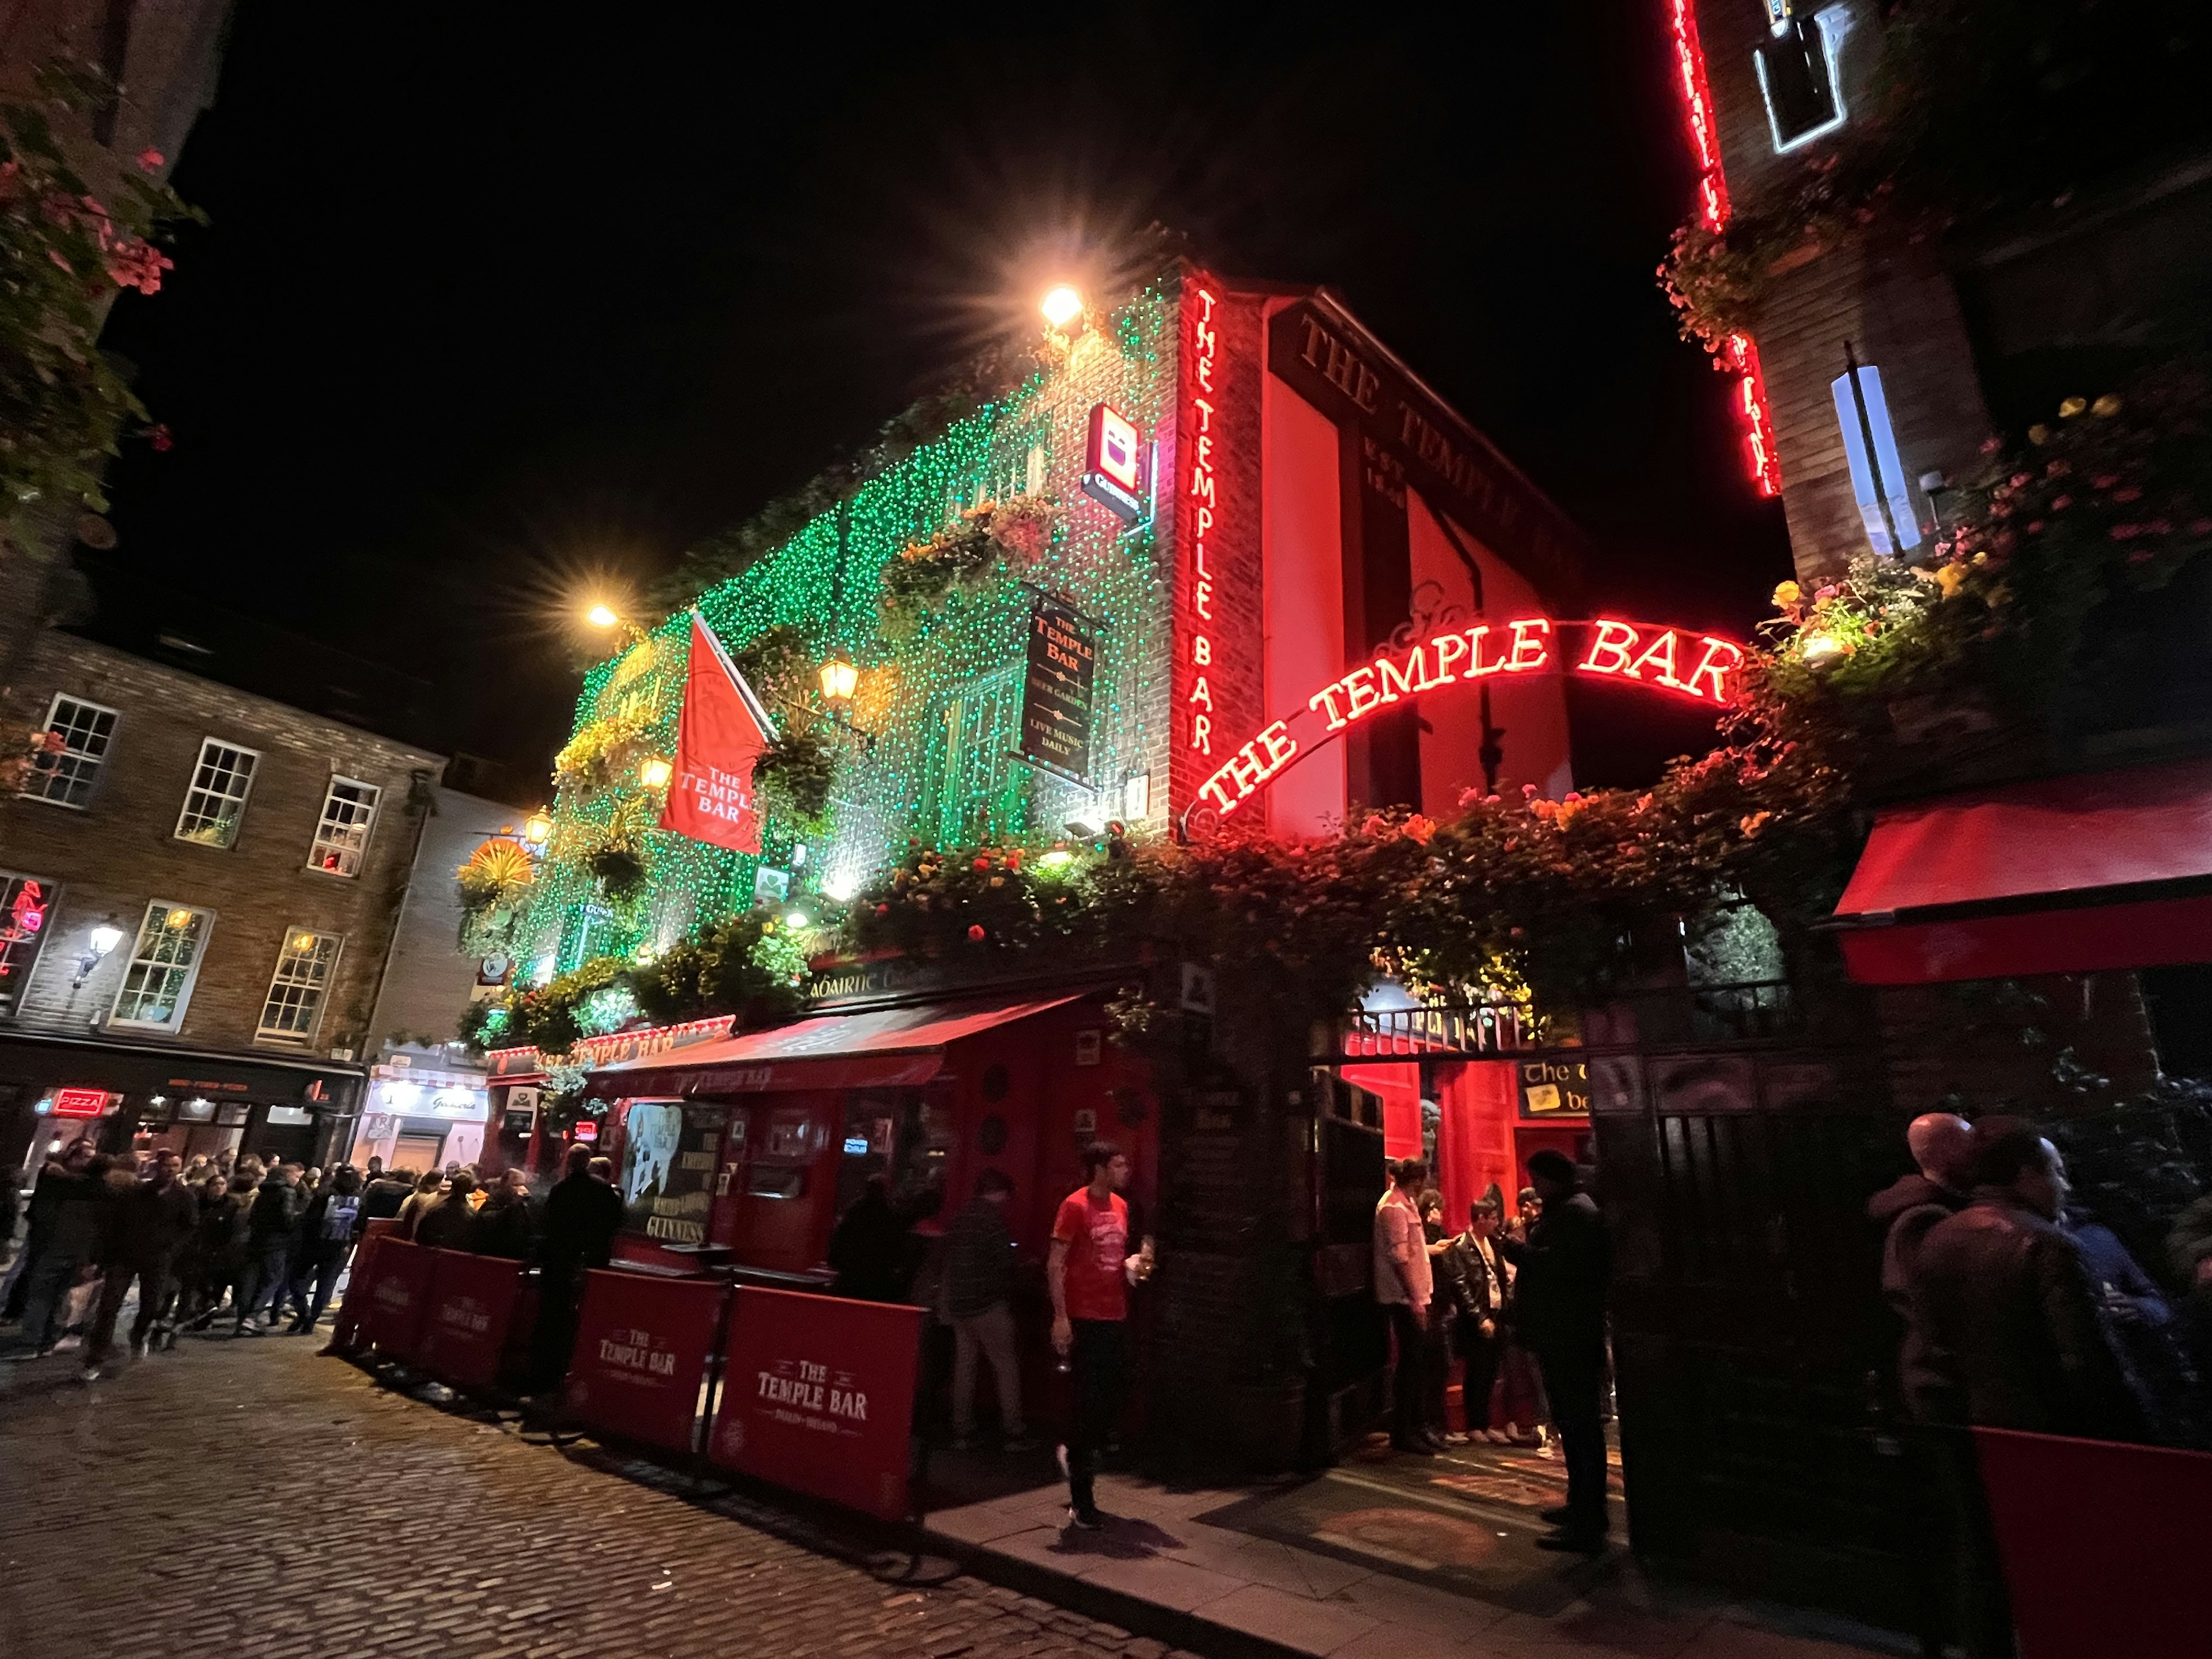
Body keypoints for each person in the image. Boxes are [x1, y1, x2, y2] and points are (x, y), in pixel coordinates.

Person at [1499, 1148, 1611, 1552]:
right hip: (1561, 1334)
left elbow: (1560, 1269)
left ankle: (1589, 1518)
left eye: (1536, 1179)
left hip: (1570, 1336)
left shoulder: (1576, 1214)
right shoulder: (1569, 1210)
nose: (1534, 1187)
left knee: (1581, 1427)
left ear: (1551, 1178)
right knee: (1573, 1425)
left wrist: (1516, 1252)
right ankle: (1578, 1504)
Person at [1050, 1141, 1151, 1529]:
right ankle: (1082, 1500)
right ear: (1099, 1169)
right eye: (1119, 1164)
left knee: (1121, 1386)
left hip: (1115, 1313)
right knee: (1087, 1403)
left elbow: (1115, 1255)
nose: (1126, 1170)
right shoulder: (1074, 1206)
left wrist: (1133, 1267)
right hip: (1083, 1316)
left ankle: (1076, 1448)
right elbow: (1055, 1262)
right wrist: (1060, 1317)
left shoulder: (1122, 1207)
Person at [1868, 1111, 1974, 1413]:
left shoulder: (1934, 1208)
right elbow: (1922, 1302)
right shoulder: (1925, 1217)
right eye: (1967, 1142)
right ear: (1948, 1150)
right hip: (1937, 1378)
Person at [84, 1150, 197, 1377]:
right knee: (109, 1306)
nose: (171, 1170)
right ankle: (95, 1358)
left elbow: (190, 1227)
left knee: (151, 1304)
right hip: (125, 1256)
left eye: (175, 1165)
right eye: (167, 1165)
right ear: (158, 1167)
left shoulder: (184, 1197)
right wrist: (102, 1257)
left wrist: (172, 1249)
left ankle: (138, 1334)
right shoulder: (138, 1192)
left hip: (157, 1259)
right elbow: (117, 1224)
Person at [944, 1168, 1033, 1452]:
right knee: (1005, 1366)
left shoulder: (960, 1216)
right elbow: (1006, 1262)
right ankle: (1014, 1434)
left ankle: (962, 1432)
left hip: (959, 1303)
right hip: (987, 1304)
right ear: (1000, 1192)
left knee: (965, 1366)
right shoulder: (992, 1219)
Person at [531, 1149, 625, 1389]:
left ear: (570, 1163)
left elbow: (547, 1224)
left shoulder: (560, 1189)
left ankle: (544, 1372)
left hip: (559, 1263)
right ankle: (576, 1369)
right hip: (590, 1264)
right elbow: (616, 1223)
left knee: (552, 1316)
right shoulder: (604, 1191)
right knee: (582, 1318)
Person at [7, 1147, 110, 1357]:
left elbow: (47, 1214)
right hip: (80, 1252)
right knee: (59, 1297)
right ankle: (48, 1341)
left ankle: (32, 1342)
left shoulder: (68, 1185)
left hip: (58, 1247)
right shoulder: (106, 1192)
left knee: (42, 1294)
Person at [1372, 1157, 1435, 1456]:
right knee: (1410, 1367)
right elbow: (1400, 1258)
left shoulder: (1405, 1203)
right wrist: (1416, 1301)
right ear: (1415, 1179)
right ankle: (1403, 1431)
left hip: (1415, 1296)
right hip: (1404, 1298)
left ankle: (1418, 1426)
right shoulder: (1394, 1208)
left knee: (1419, 1365)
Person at [3, 1139, 96, 1324]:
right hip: (44, 1229)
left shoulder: (64, 1174)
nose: (88, 1162)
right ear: (74, 1157)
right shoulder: (57, 1174)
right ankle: (14, 1310)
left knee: (31, 1269)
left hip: (55, 1231)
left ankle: (19, 1310)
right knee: (29, 1268)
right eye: (86, 1157)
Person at [1445, 1198, 1512, 1443]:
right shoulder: (1462, 1246)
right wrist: (1479, 1317)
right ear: (1480, 1218)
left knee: (1492, 1370)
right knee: (1477, 1371)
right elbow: (1461, 1286)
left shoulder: (1493, 1243)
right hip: (1476, 1318)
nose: (1496, 1222)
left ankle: (1487, 1423)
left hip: (1496, 1312)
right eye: (1492, 1217)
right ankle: (1475, 1425)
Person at [286, 1166, 363, 1335]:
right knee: (326, 1284)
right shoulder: (359, 1198)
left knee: (295, 1279)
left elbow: (310, 1219)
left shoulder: (324, 1194)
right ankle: (311, 1320)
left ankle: (303, 1312)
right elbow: (359, 1224)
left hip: (314, 1244)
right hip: (339, 1246)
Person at [233, 1161, 305, 1335]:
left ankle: (242, 1320)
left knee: (251, 1281)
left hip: (257, 1239)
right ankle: (253, 1317)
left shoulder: (263, 1191)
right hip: (277, 1242)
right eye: (296, 1176)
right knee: (273, 1280)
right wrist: (298, 1220)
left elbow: (254, 1216)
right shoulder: (288, 1192)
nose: (298, 1180)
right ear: (288, 1176)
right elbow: (287, 1219)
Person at [828, 1173, 913, 1302]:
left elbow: (839, 1241)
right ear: (885, 1190)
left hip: (850, 1276)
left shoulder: (854, 1211)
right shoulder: (890, 1216)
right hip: (878, 1280)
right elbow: (897, 1248)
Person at [1417, 1190, 1457, 1442]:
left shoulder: (1441, 1235)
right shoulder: (1423, 1235)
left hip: (1441, 1305)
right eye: (1433, 1208)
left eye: (1440, 1209)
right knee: (1432, 1365)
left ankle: (1439, 1423)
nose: (1437, 1214)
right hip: (1428, 1305)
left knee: (1443, 1365)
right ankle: (1430, 1423)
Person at [465, 1177, 537, 1259]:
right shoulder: (489, 1209)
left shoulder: (528, 1210)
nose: (522, 1189)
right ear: (504, 1187)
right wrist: (516, 1206)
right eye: (516, 1185)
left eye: (523, 1185)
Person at [413, 1171, 478, 1251]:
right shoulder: (473, 1215)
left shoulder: (435, 1209)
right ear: (471, 1190)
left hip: (432, 1256)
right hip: (458, 1259)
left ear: (452, 1188)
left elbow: (420, 1236)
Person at [393, 1169, 445, 1239]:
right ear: (439, 1183)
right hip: (412, 1239)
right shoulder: (427, 1200)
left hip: (400, 1235)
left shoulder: (412, 1197)